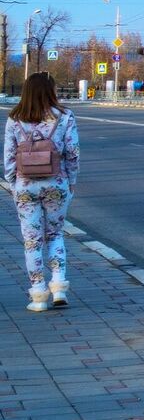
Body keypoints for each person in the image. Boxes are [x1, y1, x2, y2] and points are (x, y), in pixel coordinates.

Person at [5, 73, 80, 312]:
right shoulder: (65, 116)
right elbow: (73, 153)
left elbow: (8, 156)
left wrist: (13, 183)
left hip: (25, 186)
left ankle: (38, 295)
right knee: (56, 235)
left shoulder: (15, 119)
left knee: (32, 241)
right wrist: (71, 181)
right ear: (50, 91)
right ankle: (58, 287)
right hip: (56, 183)